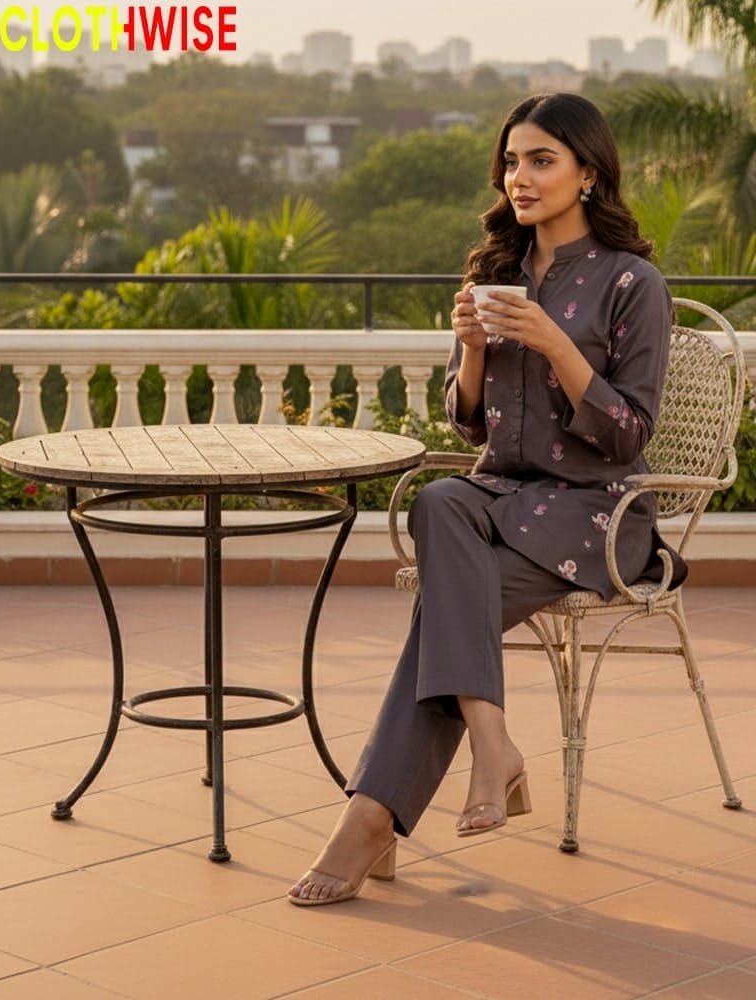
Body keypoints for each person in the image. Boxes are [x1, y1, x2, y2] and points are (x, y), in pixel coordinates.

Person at [287, 92, 686, 906]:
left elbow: (628, 434)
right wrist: (471, 350)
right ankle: (491, 740)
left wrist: (554, 343)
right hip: (498, 502)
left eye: (541, 160)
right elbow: (469, 426)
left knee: (445, 611)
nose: (520, 177)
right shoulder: (497, 274)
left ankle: (370, 820)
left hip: (595, 513)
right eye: (511, 161)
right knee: (440, 500)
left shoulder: (632, 283)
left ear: (588, 173)